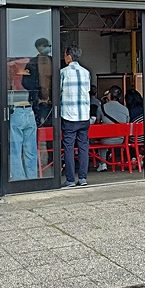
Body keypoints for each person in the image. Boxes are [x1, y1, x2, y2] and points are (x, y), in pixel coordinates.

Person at [60, 44, 91, 187]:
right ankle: (83, 178)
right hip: (84, 116)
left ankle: (71, 180)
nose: (64, 57)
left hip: (69, 116)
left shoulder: (63, 73)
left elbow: (58, 92)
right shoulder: (86, 72)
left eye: (65, 54)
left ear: (69, 56)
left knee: (69, 147)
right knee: (84, 147)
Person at [94, 84, 130, 171]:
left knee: (100, 142)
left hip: (106, 140)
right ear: (120, 97)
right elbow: (127, 124)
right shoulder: (125, 109)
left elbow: (97, 124)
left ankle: (103, 163)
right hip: (121, 139)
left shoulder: (101, 108)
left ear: (109, 95)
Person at [22, 37, 53, 127]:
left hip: (52, 100)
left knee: (51, 126)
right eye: (45, 46)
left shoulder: (54, 61)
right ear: (39, 48)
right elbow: (25, 82)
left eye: (49, 46)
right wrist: (37, 92)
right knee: (36, 125)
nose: (48, 48)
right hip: (37, 100)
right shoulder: (32, 63)